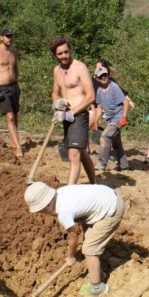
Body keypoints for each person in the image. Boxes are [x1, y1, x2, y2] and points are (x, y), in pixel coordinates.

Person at [24, 181, 125, 297]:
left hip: (112, 210)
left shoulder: (64, 212)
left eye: (41, 211)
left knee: (89, 249)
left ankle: (97, 288)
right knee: (89, 239)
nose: (41, 214)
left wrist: (71, 256)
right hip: (108, 196)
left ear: (48, 205)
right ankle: (98, 273)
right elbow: (81, 212)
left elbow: (73, 236)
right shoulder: (61, 192)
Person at [50, 36, 96, 185]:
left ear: (70, 50)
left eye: (66, 52)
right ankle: (94, 183)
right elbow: (55, 92)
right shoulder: (56, 70)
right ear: (55, 55)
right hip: (66, 117)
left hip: (79, 115)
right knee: (81, 153)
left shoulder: (80, 67)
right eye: (60, 54)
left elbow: (90, 96)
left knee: (73, 154)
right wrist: (57, 104)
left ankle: (70, 191)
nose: (63, 56)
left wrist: (70, 113)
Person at [0, 27, 23, 158]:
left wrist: (17, 85)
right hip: (2, 88)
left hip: (14, 86)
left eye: (11, 35)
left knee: (15, 115)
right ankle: (18, 147)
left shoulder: (13, 51)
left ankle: (14, 142)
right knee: (10, 116)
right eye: (7, 36)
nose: (9, 38)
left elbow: (15, 67)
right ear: (1, 37)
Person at [93, 66, 130, 172]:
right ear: (97, 78)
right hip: (109, 120)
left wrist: (124, 117)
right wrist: (96, 121)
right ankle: (124, 165)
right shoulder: (99, 91)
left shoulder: (114, 87)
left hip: (117, 117)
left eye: (105, 75)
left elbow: (125, 102)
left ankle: (102, 163)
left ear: (108, 75)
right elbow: (99, 107)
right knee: (116, 143)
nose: (104, 77)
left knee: (105, 136)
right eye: (101, 76)